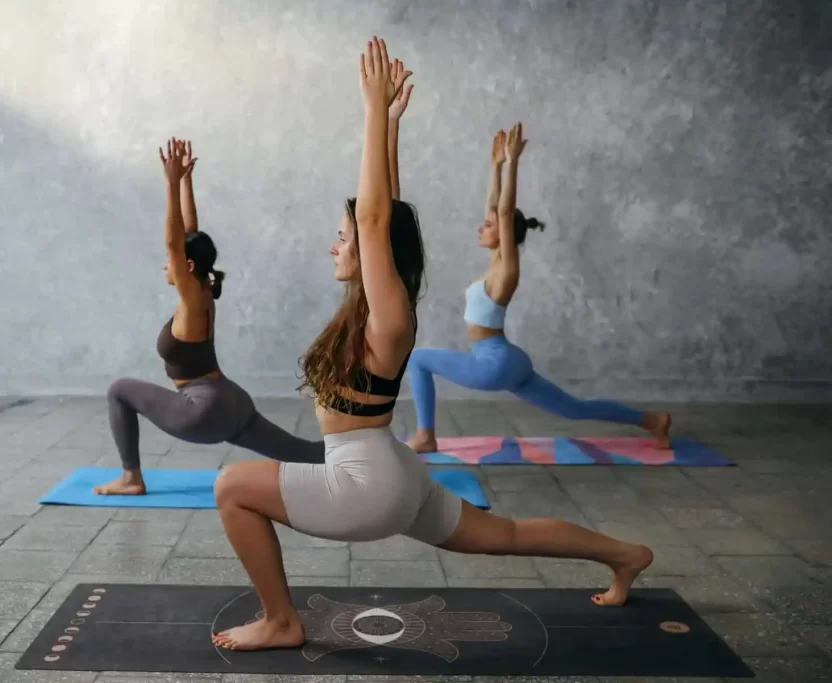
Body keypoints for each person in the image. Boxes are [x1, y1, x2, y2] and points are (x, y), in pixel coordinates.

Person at [210, 38, 654, 653]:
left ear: (367, 248)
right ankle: (625, 555)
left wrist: (370, 111)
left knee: (232, 486)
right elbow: (382, 216)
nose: (336, 246)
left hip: (367, 486)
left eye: (342, 238)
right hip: (392, 473)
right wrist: (391, 128)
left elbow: (373, 221)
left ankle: (281, 621)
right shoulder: (373, 307)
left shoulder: (387, 318)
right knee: (507, 535)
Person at [404, 125, 672, 455]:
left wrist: (514, 163)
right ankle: (653, 420)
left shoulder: (507, 270)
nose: (481, 226)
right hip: (508, 360)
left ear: (504, 234)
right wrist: (496, 167)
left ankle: (425, 436)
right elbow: (495, 207)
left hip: (494, 363)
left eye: (488, 226)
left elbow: (503, 211)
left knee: (417, 359)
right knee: (574, 409)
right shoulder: (494, 263)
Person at [94, 139, 324, 496]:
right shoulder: (202, 287)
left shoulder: (191, 298)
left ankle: (130, 478)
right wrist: (186, 181)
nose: (163, 265)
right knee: (305, 453)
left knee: (119, 390)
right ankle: (375, 456)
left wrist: (170, 184)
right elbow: (188, 240)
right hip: (232, 402)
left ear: (186, 267)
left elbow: (176, 243)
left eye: (169, 261)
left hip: (201, 410)